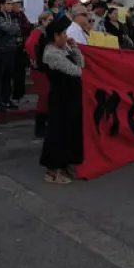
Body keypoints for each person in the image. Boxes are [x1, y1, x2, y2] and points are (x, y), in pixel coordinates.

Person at [37, 15, 84, 184]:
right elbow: (76, 71)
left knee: (69, 131)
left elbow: (81, 64)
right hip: (60, 97)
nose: (66, 36)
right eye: (63, 33)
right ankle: (53, 170)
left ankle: (64, 165)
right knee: (58, 133)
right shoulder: (51, 53)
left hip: (71, 96)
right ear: (56, 36)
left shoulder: (65, 48)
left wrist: (74, 47)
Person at [25, 12, 53, 138]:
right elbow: (31, 47)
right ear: (43, 21)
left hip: (48, 68)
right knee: (44, 96)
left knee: (48, 96)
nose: (51, 22)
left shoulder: (50, 33)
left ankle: (46, 124)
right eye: (49, 20)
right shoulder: (38, 32)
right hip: (40, 69)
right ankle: (40, 127)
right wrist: (38, 61)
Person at [0, 0, 23, 111]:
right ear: (2, 4)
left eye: (11, 4)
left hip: (11, 49)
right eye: (8, 4)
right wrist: (13, 29)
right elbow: (7, 28)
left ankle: (6, 99)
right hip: (1, 50)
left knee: (8, 76)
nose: (10, 6)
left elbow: (17, 29)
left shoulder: (12, 16)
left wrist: (13, 29)